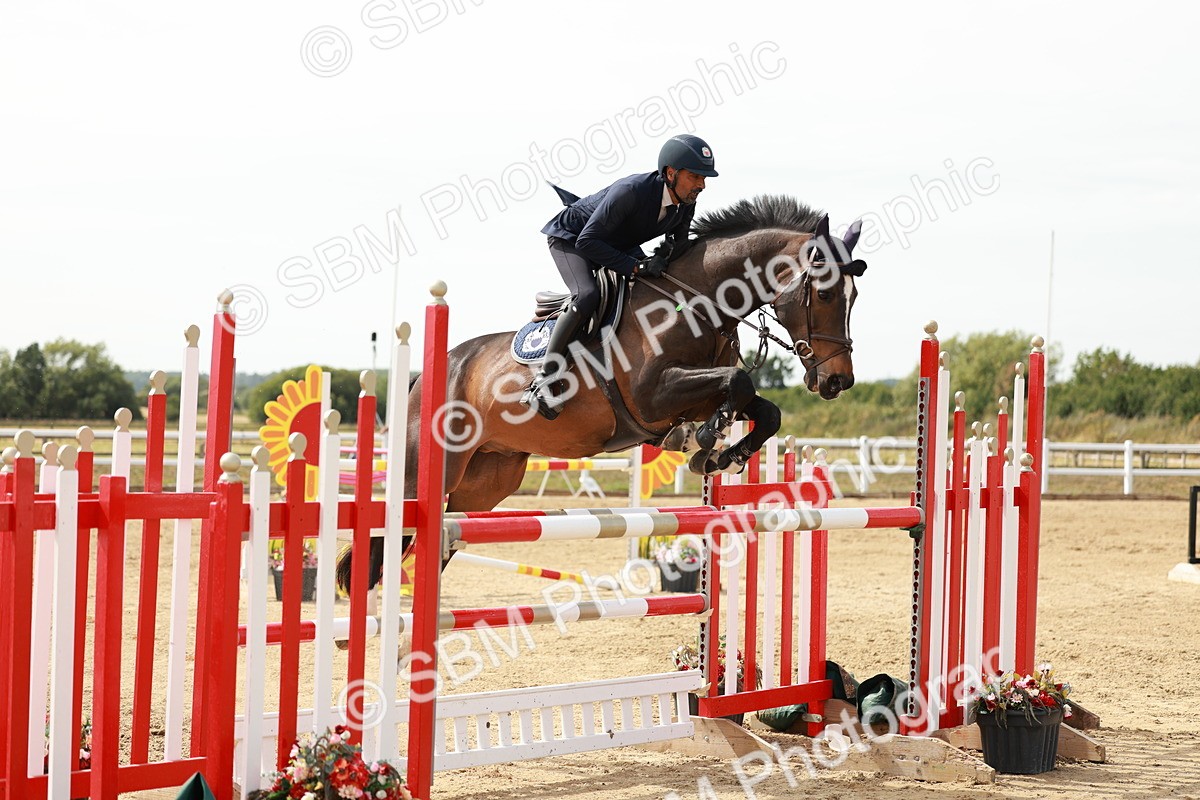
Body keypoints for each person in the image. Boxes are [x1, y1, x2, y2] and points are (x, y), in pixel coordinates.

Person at [520, 133, 719, 420]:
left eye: (704, 178)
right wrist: (636, 267)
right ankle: (543, 380)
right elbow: (587, 242)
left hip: (615, 243)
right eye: (696, 176)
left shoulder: (686, 201)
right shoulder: (631, 191)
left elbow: (679, 245)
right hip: (572, 238)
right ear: (671, 173)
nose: (702, 185)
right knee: (588, 294)